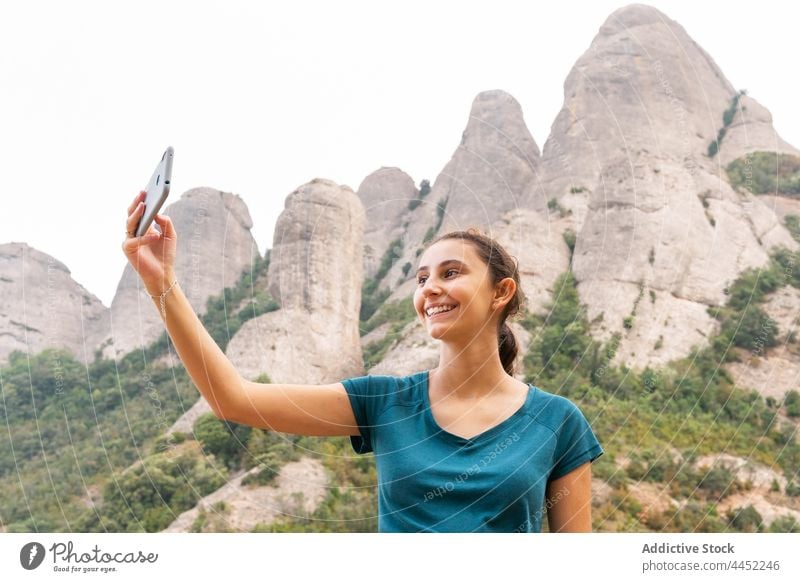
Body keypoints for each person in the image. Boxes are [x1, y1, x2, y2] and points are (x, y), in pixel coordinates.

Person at [122, 190, 603, 533]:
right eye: (420, 278)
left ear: (502, 292)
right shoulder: (383, 402)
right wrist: (161, 281)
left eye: (451, 273)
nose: (430, 288)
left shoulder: (559, 422)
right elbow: (233, 399)